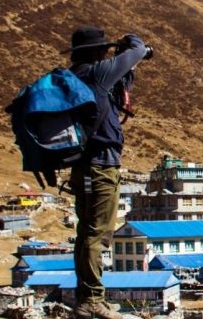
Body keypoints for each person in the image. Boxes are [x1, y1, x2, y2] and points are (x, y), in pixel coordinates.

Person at [64, 26, 149, 319]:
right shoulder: (96, 73)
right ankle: (90, 300)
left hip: (89, 165)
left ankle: (87, 297)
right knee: (96, 234)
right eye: (104, 50)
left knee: (88, 231)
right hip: (98, 165)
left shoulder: (79, 77)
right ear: (98, 52)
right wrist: (130, 43)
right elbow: (138, 51)